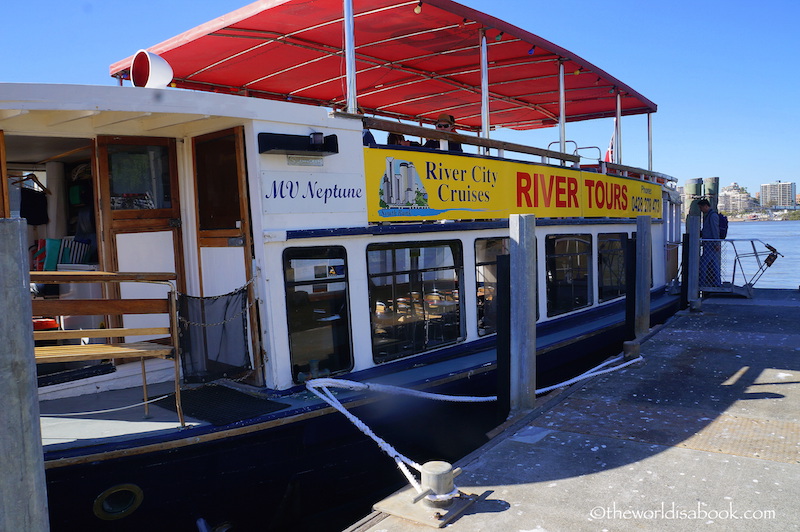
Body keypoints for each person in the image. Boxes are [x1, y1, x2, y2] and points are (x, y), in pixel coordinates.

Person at [698, 198, 721, 287]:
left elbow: (715, 230)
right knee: (713, 263)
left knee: (703, 263)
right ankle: (716, 282)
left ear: (705, 206)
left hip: (711, 244)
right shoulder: (709, 215)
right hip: (709, 243)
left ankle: (702, 282)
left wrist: (716, 243)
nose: (701, 210)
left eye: (701, 207)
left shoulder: (712, 216)